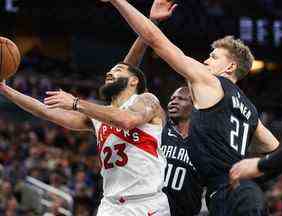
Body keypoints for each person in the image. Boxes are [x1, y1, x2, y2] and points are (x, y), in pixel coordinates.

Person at [101, 0, 280, 214]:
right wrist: (237, 151)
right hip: (244, 193)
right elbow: (272, 147)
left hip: (227, 191)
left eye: (213, 57)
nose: (206, 61)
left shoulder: (212, 82)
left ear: (230, 67)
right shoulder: (250, 111)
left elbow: (155, 40)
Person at [0, 4, 175, 215]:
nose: (110, 72)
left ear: (134, 81)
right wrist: (5, 89)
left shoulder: (147, 101)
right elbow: (44, 111)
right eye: (109, 71)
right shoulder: (99, 116)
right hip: (110, 205)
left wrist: (76, 103)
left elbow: (127, 120)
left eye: (117, 70)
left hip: (146, 203)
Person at [161, 86, 203, 216]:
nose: (173, 102)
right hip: (153, 208)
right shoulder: (161, 127)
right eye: (172, 98)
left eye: (180, 99)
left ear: (195, 105)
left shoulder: (204, 141)